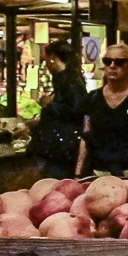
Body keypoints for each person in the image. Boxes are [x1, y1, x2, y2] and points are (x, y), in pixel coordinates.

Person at [75, 44, 128, 177]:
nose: (112, 66)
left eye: (119, 62)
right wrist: (78, 172)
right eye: (107, 61)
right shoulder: (92, 99)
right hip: (99, 171)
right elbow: (86, 137)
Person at [27, 40, 87, 179]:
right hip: (61, 147)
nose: (46, 63)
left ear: (53, 58)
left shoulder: (69, 79)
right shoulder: (67, 78)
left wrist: (49, 104)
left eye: (46, 59)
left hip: (62, 149)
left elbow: (78, 110)